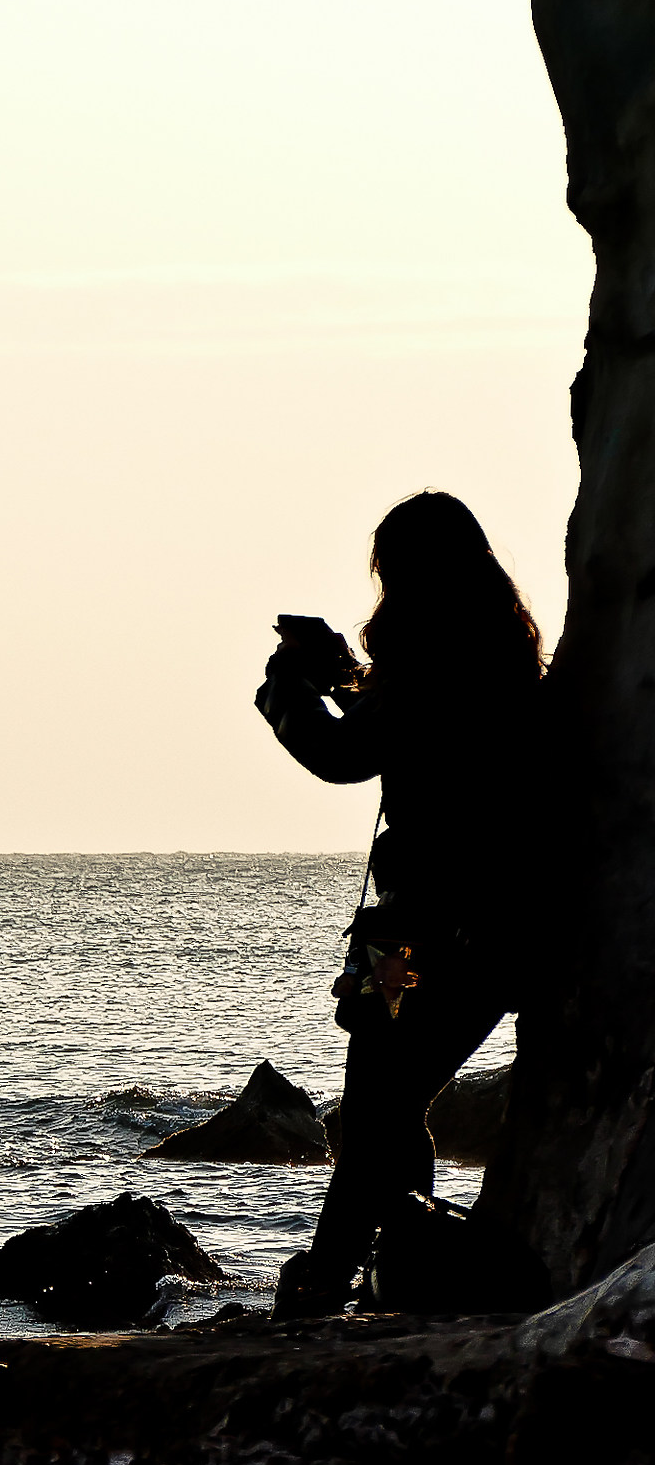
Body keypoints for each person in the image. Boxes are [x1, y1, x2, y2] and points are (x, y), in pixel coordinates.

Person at [255, 491, 546, 1318]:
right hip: (487, 941)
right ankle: (394, 1269)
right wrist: (345, 674)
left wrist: (287, 687)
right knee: (391, 1105)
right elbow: (399, 728)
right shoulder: (502, 664)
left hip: (414, 939)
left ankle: (333, 1278)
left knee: (377, 1109)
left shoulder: (430, 669)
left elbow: (346, 752)